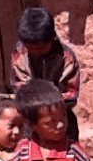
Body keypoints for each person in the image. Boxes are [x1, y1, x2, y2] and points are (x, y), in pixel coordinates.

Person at [10, 7, 81, 141]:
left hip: (60, 115)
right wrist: (34, 110)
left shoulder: (66, 58)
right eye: (30, 48)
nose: (35, 52)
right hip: (31, 118)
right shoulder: (20, 52)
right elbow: (20, 87)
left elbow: (70, 94)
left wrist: (49, 110)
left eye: (40, 48)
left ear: (53, 37)